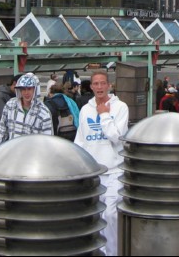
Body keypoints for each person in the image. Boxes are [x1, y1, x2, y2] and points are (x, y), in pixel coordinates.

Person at [74, 70, 129, 257]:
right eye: (95, 84)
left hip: (114, 171)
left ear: (109, 85)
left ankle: (112, 252)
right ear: (91, 87)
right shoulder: (85, 110)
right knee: (93, 217)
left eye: (102, 83)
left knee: (111, 215)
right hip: (93, 173)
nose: (99, 87)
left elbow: (117, 137)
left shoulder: (120, 107)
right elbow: (80, 140)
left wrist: (105, 115)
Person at [0, 72, 53, 149]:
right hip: (12, 155)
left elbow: (47, 141)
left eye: (29, 89)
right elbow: (1, 132)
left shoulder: (44, 112)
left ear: (35, 89)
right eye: (23, 89)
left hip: (32, 157)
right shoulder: (10, 105)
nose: (26, 92)